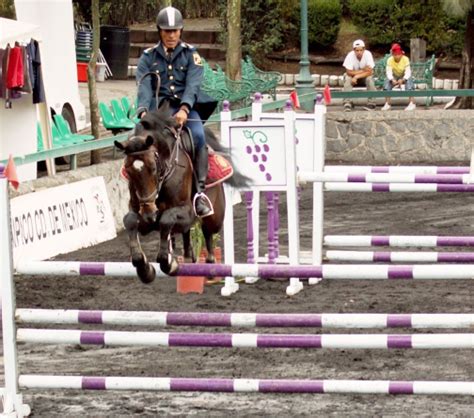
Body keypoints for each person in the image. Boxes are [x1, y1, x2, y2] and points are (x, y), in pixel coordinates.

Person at [136, 6, 217, 218]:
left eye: (175, 31)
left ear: (181, 31)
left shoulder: (192, 55)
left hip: (185, 109)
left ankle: (199, 194)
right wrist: (144, 111)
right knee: (137, 138)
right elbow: (144, 85)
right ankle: (137, 193)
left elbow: (193, 85)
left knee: (198, 136)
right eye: (166, 31)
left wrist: (184, 108)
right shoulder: (148, 57)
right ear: (159, 31)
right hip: (159, 109)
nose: (171, 35)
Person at [342, 39, 376, 111]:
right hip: (352, 77)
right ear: (354, 50)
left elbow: (370, 72)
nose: (359, 52)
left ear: (364, 49)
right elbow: (348, 72)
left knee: (369, 79)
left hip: (362, 77)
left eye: (361, 50)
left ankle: (371, 103)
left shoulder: (368, 54)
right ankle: (347, 103)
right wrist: (363, 70)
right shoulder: (350, 55)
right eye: (357, 50)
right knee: (347, 78)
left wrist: (356, 76)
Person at [382, 43, 416, 111]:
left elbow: (408, 71)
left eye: (399, 54)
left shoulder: (405, 59)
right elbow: (388, 72)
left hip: (404, 75)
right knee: (387, 82)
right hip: (394, 75)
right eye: (395, 55)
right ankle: (387, 104)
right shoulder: (390, 60)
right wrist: (392, 79)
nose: (397, 56)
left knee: (409, 81)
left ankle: (412, 103)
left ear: (401, 54)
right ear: (393, 55)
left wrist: (403, 79)